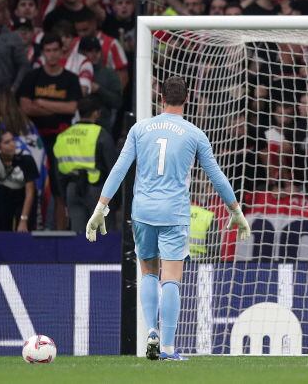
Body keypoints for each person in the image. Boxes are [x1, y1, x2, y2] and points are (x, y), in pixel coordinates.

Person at [85, 77, 252, 361]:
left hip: (143, 213)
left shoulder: (140, 129)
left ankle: (151, 330)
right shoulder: (194, 134)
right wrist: (236, 211)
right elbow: (217, 177)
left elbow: (119, 169)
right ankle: (169, 348)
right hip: (174, 213)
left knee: (148, 271)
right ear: (186, 99)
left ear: (160, 97)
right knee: (171, 278)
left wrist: (101, 207)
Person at [18, 34, 81, 229]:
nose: (52, 55)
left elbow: (71, 108)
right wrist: (57, 107)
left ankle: (60, 233)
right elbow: (25, 107)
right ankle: (26, 228)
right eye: (48, 51)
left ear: (62, 52)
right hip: (33, 138)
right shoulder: (32, 77)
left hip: (60, 140)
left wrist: (43, 102)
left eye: (55, 50)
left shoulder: (70, 79)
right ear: (43, 53)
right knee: (29, 184)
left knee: (58, 187)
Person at [53, 96, 116, 233]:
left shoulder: (63, 136)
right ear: (95, 113)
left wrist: (64, 196)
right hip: (97, 189)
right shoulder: (101, 134)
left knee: (79, 235)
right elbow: (113, 169)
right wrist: (117, 201)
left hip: (72, 188)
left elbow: (58, 172)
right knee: (103, 234)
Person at [0, 128, 38, 232]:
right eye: (7, 142)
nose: (12, 144)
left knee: (24, 232)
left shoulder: (26, 159)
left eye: (13, 140)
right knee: (0, 230)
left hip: (24, 195)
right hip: (3, 193)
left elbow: (30, 193)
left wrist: (23, 221)